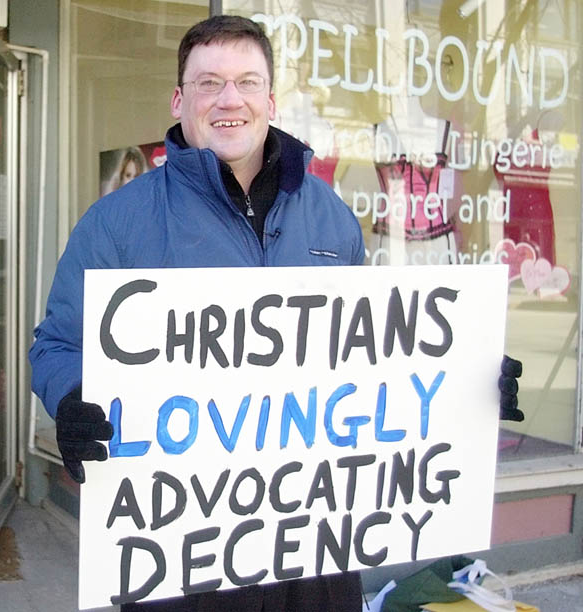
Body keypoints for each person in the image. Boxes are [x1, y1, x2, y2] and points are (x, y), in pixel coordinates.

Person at [29, 15, 522, 611]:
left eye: (246, 81)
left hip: (311, 545)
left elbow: (369, 362)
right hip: (181, 548)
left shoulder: (331, 218)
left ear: (271, 98)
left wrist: (465, 377)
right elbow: (55, 345)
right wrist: (73, 396)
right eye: (208, 83)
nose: (229, 99)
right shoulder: (116, 223)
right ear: (179, 99)